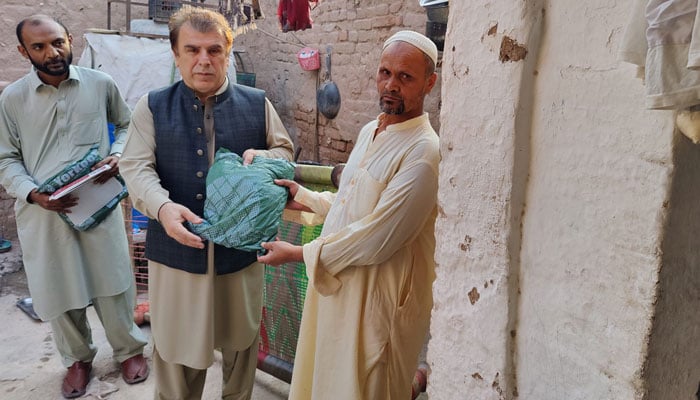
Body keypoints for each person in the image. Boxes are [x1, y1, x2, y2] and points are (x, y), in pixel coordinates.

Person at [118, 6, 294, 399]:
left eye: (214, 50)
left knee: (241, 345)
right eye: (192, 50)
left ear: (227, 54)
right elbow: (135, 167)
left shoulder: (256, 102)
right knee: (176, 352)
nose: (204, 60)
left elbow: (283, 150)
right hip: (177, 255)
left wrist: (264, 158)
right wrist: (163, 208)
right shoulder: (152, 106)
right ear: (176, 54)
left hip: (241, 257)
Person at [258, 30, 440, 400]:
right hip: (339, 287)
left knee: (362, 385)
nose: (391, 85)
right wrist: (306, 197)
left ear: (429, 83)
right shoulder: (371, 129)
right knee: (325, 380)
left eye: (405, 77)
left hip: (375, 301)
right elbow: (351, 201)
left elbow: (375, 237)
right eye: (385, 72)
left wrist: (297, 254)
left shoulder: (424, 152)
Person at [0, 15, 149, 399]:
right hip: (44, 212)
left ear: (69, 39)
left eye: (57, 42)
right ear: (23, 51)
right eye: (39, 47)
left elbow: (128, 125)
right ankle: (78, 360)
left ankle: (129, 350)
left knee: (114, 280)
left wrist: (117, 154)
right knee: (58, 288)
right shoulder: (12, 99)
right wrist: (35, 194)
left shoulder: (100, 84)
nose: (51, 53)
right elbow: (5, 159)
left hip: (98, 203)